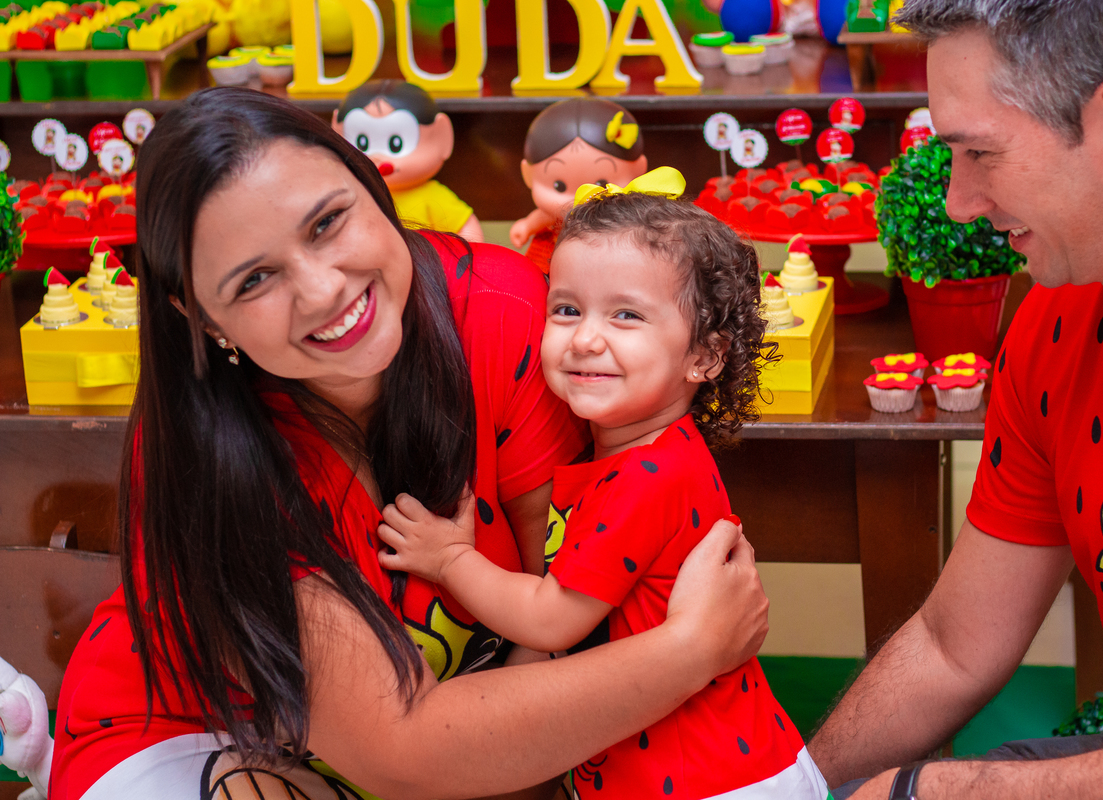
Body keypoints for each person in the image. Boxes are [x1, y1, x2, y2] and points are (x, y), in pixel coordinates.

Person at [25, 88, 770, 800]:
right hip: (201, 738)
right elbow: (403, 754)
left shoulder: (508, 317)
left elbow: (562, 633)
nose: (323, 292)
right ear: (202, 316)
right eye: (254, 279)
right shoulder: (207, 452)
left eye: (326, 223)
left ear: (372, 184)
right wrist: (693, 649)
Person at [806, 1, 1103, 798]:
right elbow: (955, 645)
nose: (957, 202)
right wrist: (796, 791)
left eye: (980, 152)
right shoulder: (1055, 322)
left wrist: (936, 792)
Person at [379, 173, 830, 800]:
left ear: (704, 356)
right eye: (566, 309)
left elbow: (552, 619)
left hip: (704, 783)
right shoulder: (655, 455)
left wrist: (452, 560)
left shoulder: (646, 476)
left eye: (625, 315)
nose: (585, 337)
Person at [332, 80, 485, 242]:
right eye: (362, 144)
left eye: (395, 145)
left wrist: (467, 260)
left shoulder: (431, 197)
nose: (377, 157)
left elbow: (466, 230)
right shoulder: (350, 193)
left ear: (442, 137)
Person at [509, 98, 648, 273]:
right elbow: (544, 217)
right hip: (553, 253)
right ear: (528, 175)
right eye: (559, 186)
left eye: (601, 184)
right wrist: (527, 226)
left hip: (607, 258)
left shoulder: (625, 213)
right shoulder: (558, 216)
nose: (579, 198)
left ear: (638, 172)